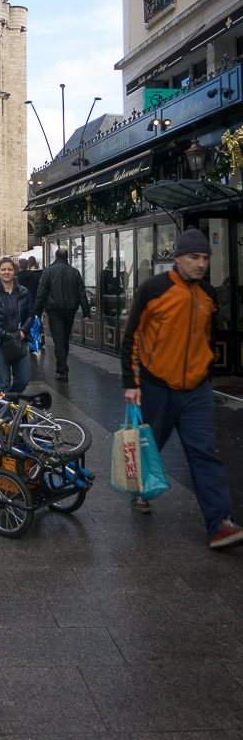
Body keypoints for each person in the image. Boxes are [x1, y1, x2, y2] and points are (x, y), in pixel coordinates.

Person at [121, 228, 243, 549]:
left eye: (205, 258)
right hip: (156, 386)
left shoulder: (207, 294)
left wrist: (205, 370)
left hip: (196, 391)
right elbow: (131, 336)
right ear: (178, 259)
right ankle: (141, 492)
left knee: (204, 453)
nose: (201, 263)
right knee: (150, 447)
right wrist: (130, 383)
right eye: (194, 257)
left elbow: (208, 336)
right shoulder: (153, 288)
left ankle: (220, 524)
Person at [0, 256, 35, 396]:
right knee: (3, 382)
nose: (7, 272)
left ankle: (10, 402)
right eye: (3, 269)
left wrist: (23, 331)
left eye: (10, 269)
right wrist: (4, 335)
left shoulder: (23, 292)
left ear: (15, 271)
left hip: (19, 339)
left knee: (23, 380)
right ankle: (5, 418)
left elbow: (30, 314)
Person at [34, 248, 90, 382]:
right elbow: (82, 293)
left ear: (55, 256)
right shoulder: (75, 272)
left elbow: (41, 293)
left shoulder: (48, 271)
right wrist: (86, 312)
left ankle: (62, 370)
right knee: (64, 338)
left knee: (58, 339)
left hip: (54, 310)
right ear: (67, 258)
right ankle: (62, 366)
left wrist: (37, 311)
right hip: (70, 310)